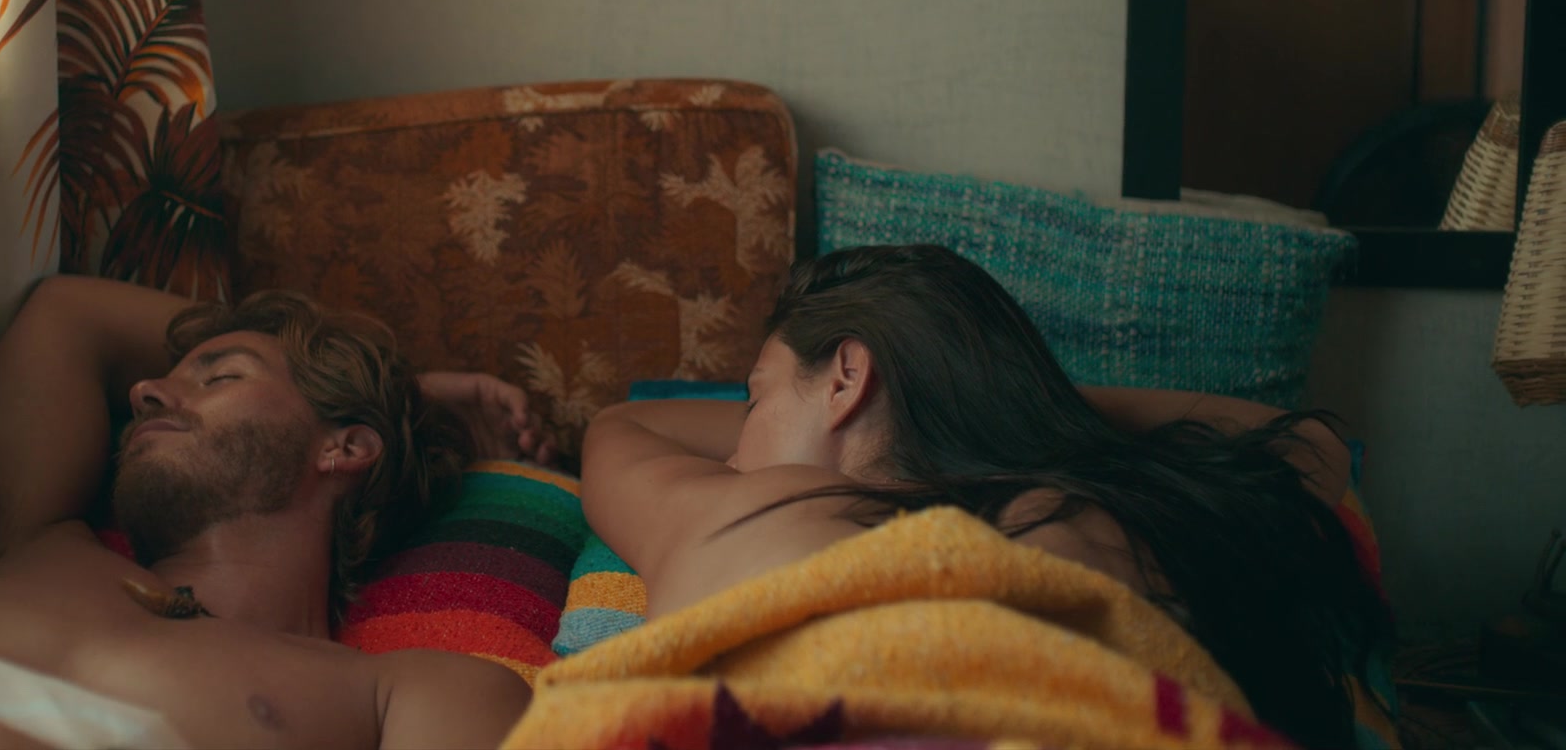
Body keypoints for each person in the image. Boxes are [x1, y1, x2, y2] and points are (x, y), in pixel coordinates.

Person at [0, 275, 551, 749]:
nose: (147, 391)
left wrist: (383, 400)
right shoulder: (30, 546)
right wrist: (407, 384)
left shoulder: (397, 693)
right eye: (161, 382)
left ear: (346, 450)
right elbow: (68, 314)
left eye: (220, 375)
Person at [581, 243, 1390, 750]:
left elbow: (620, 426)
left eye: (753, 400)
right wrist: (1023, 398)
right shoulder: (1138, 509)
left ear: (847, 378)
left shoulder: (763, 514)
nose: (732, 452)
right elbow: (1302, 440)